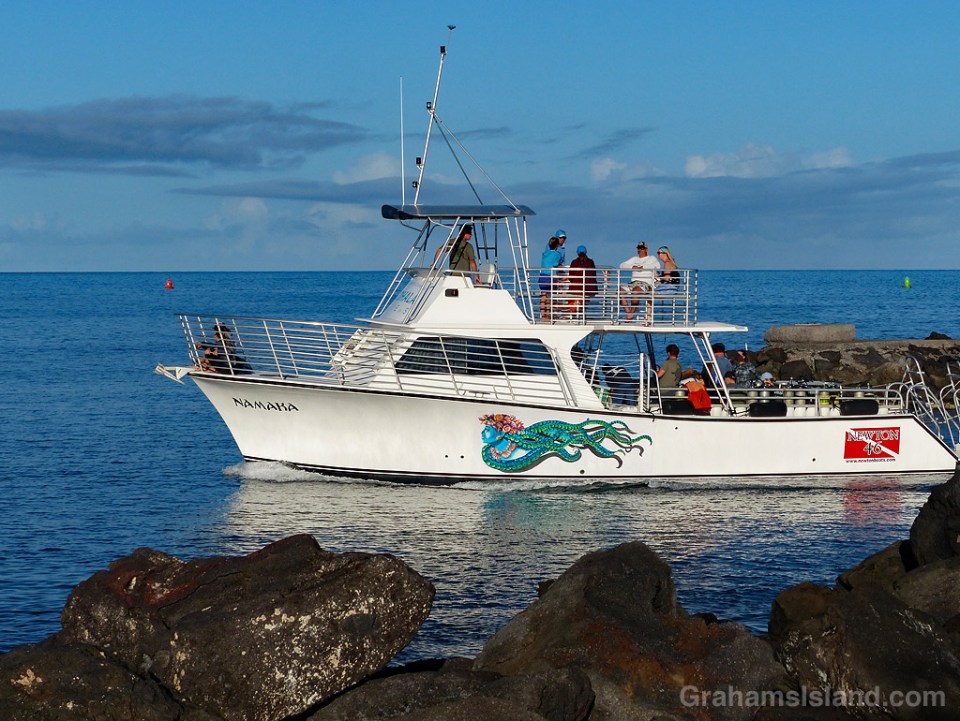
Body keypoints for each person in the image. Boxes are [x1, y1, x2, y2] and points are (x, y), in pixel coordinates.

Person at [619, 242, 661, 322]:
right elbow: (622, 265)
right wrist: (632, 267)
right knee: (620, 290)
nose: (640, 250)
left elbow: (657, 265)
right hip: (634, 282)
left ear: (646, 249)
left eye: (642, 248)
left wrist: (643, 267)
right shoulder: (634, 259)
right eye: (638, 248)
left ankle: (632, 313)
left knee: (636, 290)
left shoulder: (651, 258)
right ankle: (629, 313)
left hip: (645, 283)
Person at [538, 236, 564, 322]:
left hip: (542, 277)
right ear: (557, 245)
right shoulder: (557, 254)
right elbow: (557, 263)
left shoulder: (545, 253)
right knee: (549, 297)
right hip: (550, 277)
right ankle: (548, 314)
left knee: (543, 296)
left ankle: (542, 315)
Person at [567, 244, 598, 314]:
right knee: (585, 296)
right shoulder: (591, 262)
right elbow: (593, 275)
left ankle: (576, 313)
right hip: (590, 289)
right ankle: (583, 313)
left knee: (575, 294)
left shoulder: (574, 262)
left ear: (577, 253)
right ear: (586, 253)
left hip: (577, 288)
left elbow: (571, 277)